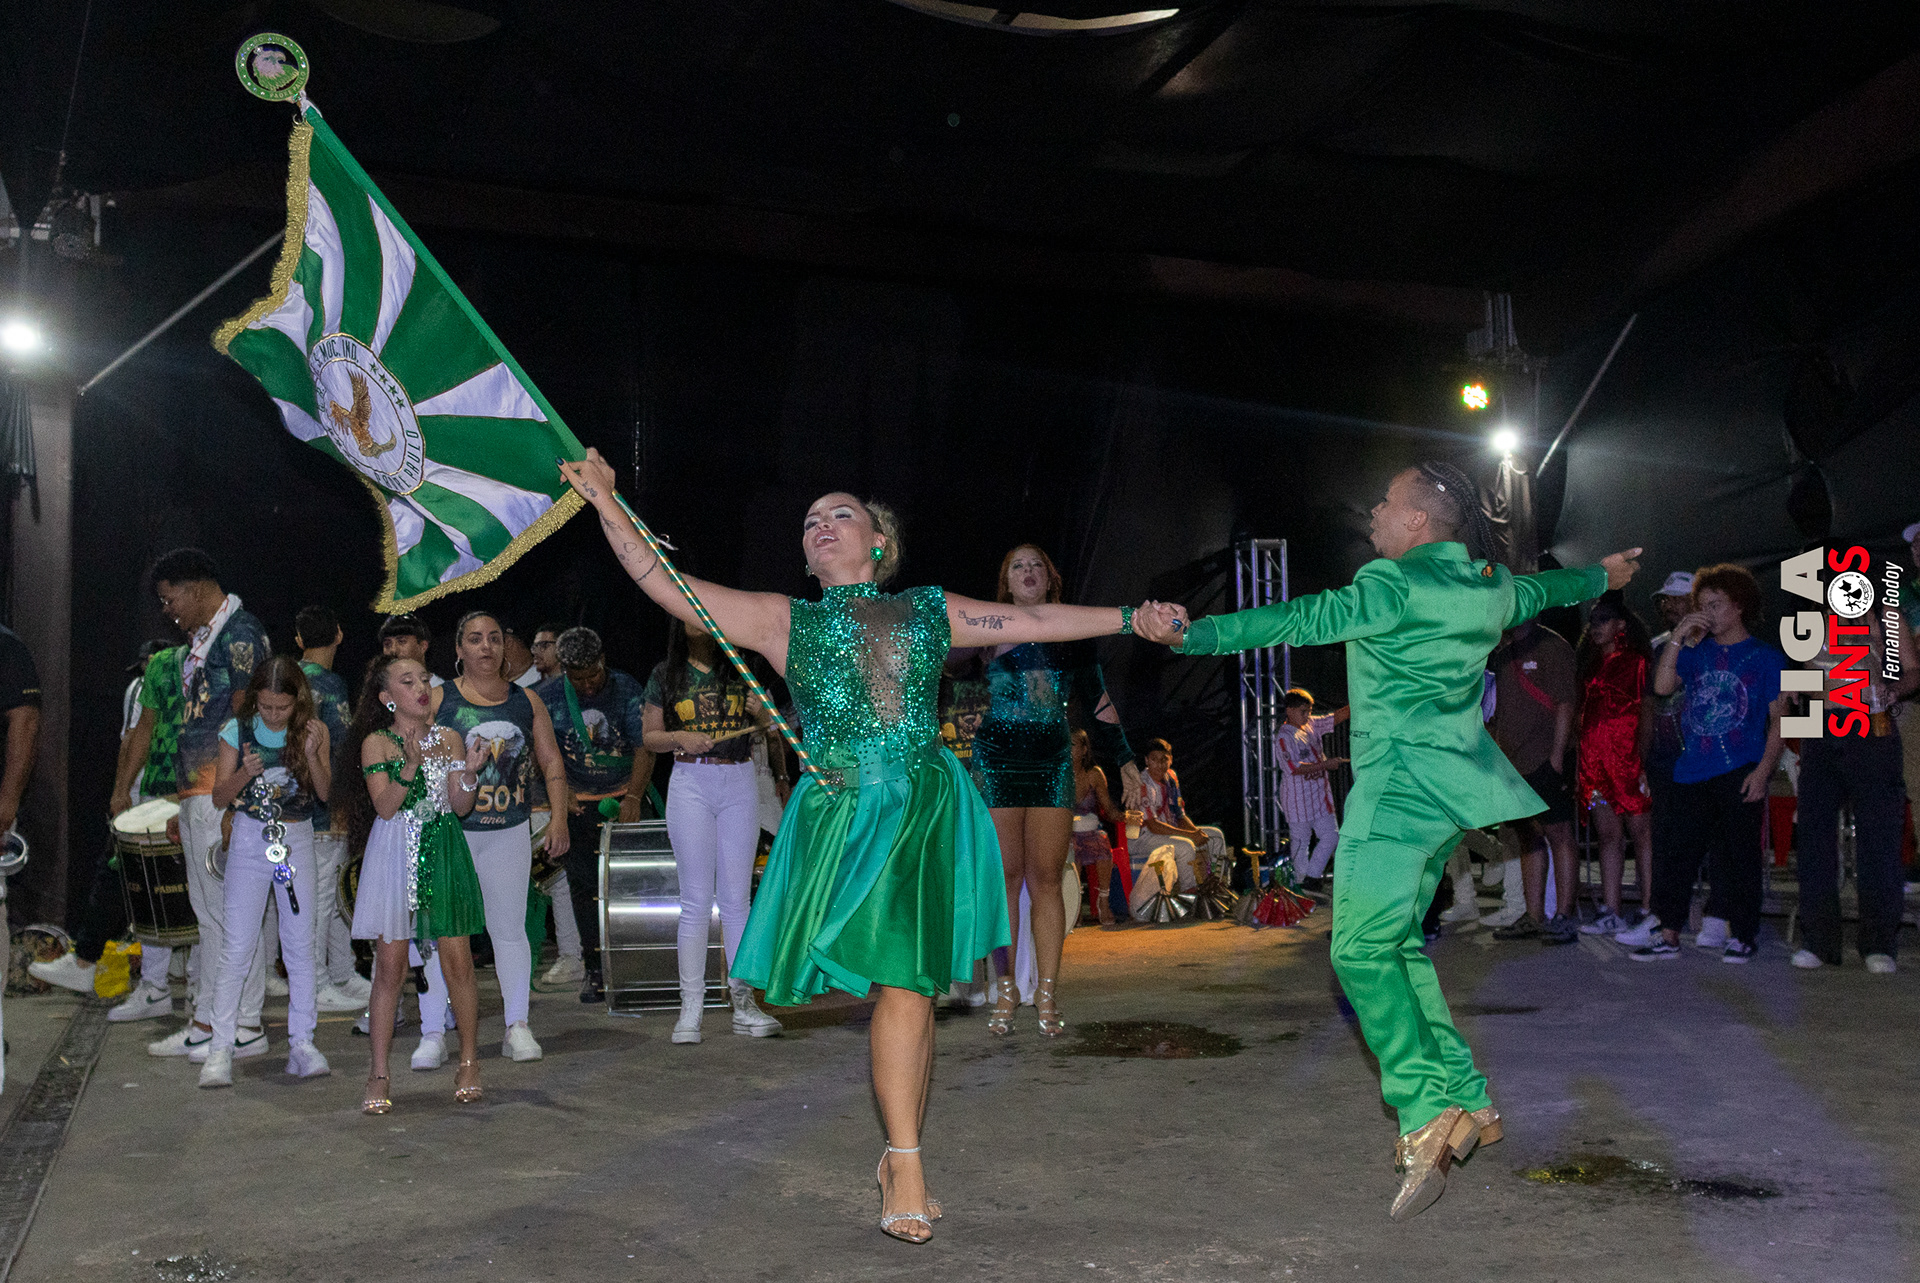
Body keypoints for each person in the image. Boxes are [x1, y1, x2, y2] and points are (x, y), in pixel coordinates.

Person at [559, 449, 1169, 1243]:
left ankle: (904, 1161)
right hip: (842, 814)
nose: (821, 524)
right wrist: (609, 504)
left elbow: (1034, 621)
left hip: (922, 805)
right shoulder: (785, 621)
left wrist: (1129, 617)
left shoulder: (926, 609)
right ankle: (900, 1151)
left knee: (910, 982)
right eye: (809, 521)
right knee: (874, 987)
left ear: (878, 542)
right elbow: (669, 585)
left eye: (839, 513)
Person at [1140, 459, 1637, 1220]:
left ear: (1418, 520)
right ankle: (1468, 1095)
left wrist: (1194, 631)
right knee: (1397, 943)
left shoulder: (1390, 584)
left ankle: (1425, 1108)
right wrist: (1601, 576)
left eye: (1387, 500)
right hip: (1450, 795)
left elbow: (1301, 618)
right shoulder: (1490, 586)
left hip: (1396, 791)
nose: (1373, 510)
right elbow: (1546, 591)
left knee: (1357, 952)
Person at [972, 544, 1141, 1038]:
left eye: (1037, 565)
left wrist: (1125, 756)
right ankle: (1006, 990)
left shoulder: (1071, 630)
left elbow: (1099, 700)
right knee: (1005, 877)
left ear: (1050, 579)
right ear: (1006, 582)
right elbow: (946, 669)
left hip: (1050, 761)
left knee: (1046, 878)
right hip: (996, 760)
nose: (1028, 571)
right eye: (1017, 565)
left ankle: (1046, 993)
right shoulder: (985, 626)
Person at [414, 611, 573, 1066]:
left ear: (505, 647)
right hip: (451, 835)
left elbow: (551, 762)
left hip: (508, 831)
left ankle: (517, 1026)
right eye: (475, 639)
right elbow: (412, 758)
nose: (486, 646)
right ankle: (432, 1032)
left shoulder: (526, 700)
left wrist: (558, 819)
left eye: (494, 638)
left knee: (509, 931)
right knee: (441, 934)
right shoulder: (439, 699)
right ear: (458, 649)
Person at [341, 654, 490, 1112]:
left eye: (424, 678)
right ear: (387, 697)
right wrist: (409, 766)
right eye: (407, 681)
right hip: (396, 853)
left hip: (444, 848)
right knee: (390, 967)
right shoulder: (377, 743)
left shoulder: (449, 737)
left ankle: (469, 1063)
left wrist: (469, 773)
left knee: (458, 962)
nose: (421, 687)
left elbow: (460, 807)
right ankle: (379, 1073)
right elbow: (386, 807)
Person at [141, 550, 274, 1060]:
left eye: (169, 599)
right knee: (210, 915)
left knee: (235, 913)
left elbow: (251, 717)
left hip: (224, 794)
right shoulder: (206, 640)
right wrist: (184, 802)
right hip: (199, 793)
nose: (167, 611)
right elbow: (199, 724)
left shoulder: (240, 634)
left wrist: (238, 802)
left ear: (195, 587)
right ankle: (208, 1022)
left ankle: (245, 1024)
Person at [1631, 564, 1787, 964]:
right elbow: (1662, 686)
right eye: (1702, 606)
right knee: (1677, 854)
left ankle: (1743, 935)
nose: (1708, 613)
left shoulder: (1767, 657)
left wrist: (1763, 772)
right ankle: (1668, 933)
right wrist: (1678, 638)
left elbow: (1781, 721)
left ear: (1739, 605)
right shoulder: (1696, 652)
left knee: (1739, 857)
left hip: (1740, 766)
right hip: (1693, 767)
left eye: (1715, 605)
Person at [643, 618, 785, 1043]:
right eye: (687, 614)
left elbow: (772, 726)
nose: (696, 621)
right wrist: (679, 736)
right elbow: (650, 738)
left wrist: (763, 715)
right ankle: (691, 1008)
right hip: (691, 780)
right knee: (695, 901)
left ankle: (743, 1002)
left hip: (739, 778)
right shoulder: (665, 673)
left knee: (738, 900)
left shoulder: (742, 666)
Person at [196, 659, 333, 1086]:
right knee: (237, 947)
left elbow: (325, 792)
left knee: (300, 946)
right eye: (266, 706)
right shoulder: (236, 730)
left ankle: (302, 1043)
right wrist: (244, 773)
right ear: (255, 699)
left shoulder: (313, 730)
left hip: (297, 838)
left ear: (298, 701)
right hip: (250, 839)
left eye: (282, 707)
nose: (274, 715)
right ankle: (220, 1048)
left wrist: (311, 756)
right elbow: (220, 796)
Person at [35, 640, 177, 1010]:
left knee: (128, 878)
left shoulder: (145, 686)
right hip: (170, 795)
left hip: (147, 797)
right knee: (148, 881)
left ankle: (89, 961)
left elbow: (131, 738)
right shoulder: (179, 682)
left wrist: (120, 791)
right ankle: (163, 971)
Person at [1789, 609, 1916, 972]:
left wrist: (1893, 690)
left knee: (1879, 836)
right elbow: (1800, 676)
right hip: (1820, 721)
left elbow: (1914, 670)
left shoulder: (1886, 618)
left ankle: (1879, 944)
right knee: (1814, 834)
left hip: (1873, 721)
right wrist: (1796, 684)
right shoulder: (1811, 618)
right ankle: (1818, 942)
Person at [532, 626, 653, 1003]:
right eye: (577, 678)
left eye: (592, 677)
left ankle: (637, 967)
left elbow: (645, 747)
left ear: (603, 661)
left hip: (622, 801)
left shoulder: (627, 689)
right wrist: (560, 794)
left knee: (632, 887)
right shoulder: (547, 697)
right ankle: (595, 969)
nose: (586, 686)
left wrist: (634, 796)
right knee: (584, 891)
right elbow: (537, 753)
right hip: (577, 806)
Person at [1615, 572, 1704, 947]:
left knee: (1712, 841)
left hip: (1708, 759)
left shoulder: (1715, 645)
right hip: (1666, 760)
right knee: (1666, 840)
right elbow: (1648, 706)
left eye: (1677, 598)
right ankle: (1661, 916)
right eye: (1664, 599)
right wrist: (1643, 758)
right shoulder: (1654, 649)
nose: (1668, 605)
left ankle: (1718, 919)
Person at [295, 606, 370, 1014]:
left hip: (291, 803)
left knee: (334, 891)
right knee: (324, 896)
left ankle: (341, 971)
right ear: (340, 635)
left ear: (298, 640)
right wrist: (344, 801)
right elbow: (341, 747)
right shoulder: (330, 682)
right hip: (323, 805)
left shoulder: (287, 678)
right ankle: (316, 983)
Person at [1486, 618, 1579, 946]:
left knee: (1559, 833)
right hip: (1513, 762)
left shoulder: (1552, 646)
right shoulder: (1502, 654)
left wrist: (1557, 757)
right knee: (1528, 836)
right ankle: (1534, 915)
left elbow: (1566, 703)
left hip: (1545, 757)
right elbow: (1495, 710)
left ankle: (1564, 916)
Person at [1573, 596, 1654, 935]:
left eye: (1604, 619)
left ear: (1621, 624)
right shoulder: (1590, 664)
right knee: (1608, 835)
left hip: (1627, 762)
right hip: (1594, 766)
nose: (1596, 626)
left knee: (1641, 834)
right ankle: (1612, 910)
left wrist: (1642, 761)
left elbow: (1647, 713)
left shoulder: (1637, 662)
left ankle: (1650, 909)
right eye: (1593, 620)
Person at [1275, 688, 1350, 893]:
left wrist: (1360, 701)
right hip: (1297, 798)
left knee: (1331, 836)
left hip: (1320, 796)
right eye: (1303, 711)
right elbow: (1294, 768)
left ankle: (1311, 877)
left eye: (1309, 710)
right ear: (1290, 710)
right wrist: (1326, 765)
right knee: (1301, 842)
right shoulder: (1284, 736)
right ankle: (1301, 884)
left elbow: (1336, 717)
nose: (1307, 715)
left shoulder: (1311, 724)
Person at [1128, 739, 1223, 893]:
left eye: (1164, 759)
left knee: (1215, 836)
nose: (1159, 764)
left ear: (1171, 760)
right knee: (1186, 846)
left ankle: (1215, 884)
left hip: (1168, 832)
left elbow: (1180, 815)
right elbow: (1153, 826)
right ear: (1146, 760)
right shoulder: (1142, 784)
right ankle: (1188, 892)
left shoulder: (1171, 777)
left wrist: (1196, 833)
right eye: (1154, 759)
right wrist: (1191, 835)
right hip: (1143, 838)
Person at [1069, 728, 1120, 926]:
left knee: (1101, 841)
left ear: (1084, 750)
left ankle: (1103, 902)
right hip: (1068, 832)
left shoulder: (1094, 774)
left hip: (1091, 830)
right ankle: (1075, 906)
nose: (1067, 749)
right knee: (1071, 848)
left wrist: (1126, 816)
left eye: (1072, 745)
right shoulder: (1059, 775)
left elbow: (1109, 808)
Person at [379, 614, 441, 685]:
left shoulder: (442, 689)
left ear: (423, 646)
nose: (393, 650)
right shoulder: (379, 688)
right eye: (387, 644)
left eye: (401, 641)